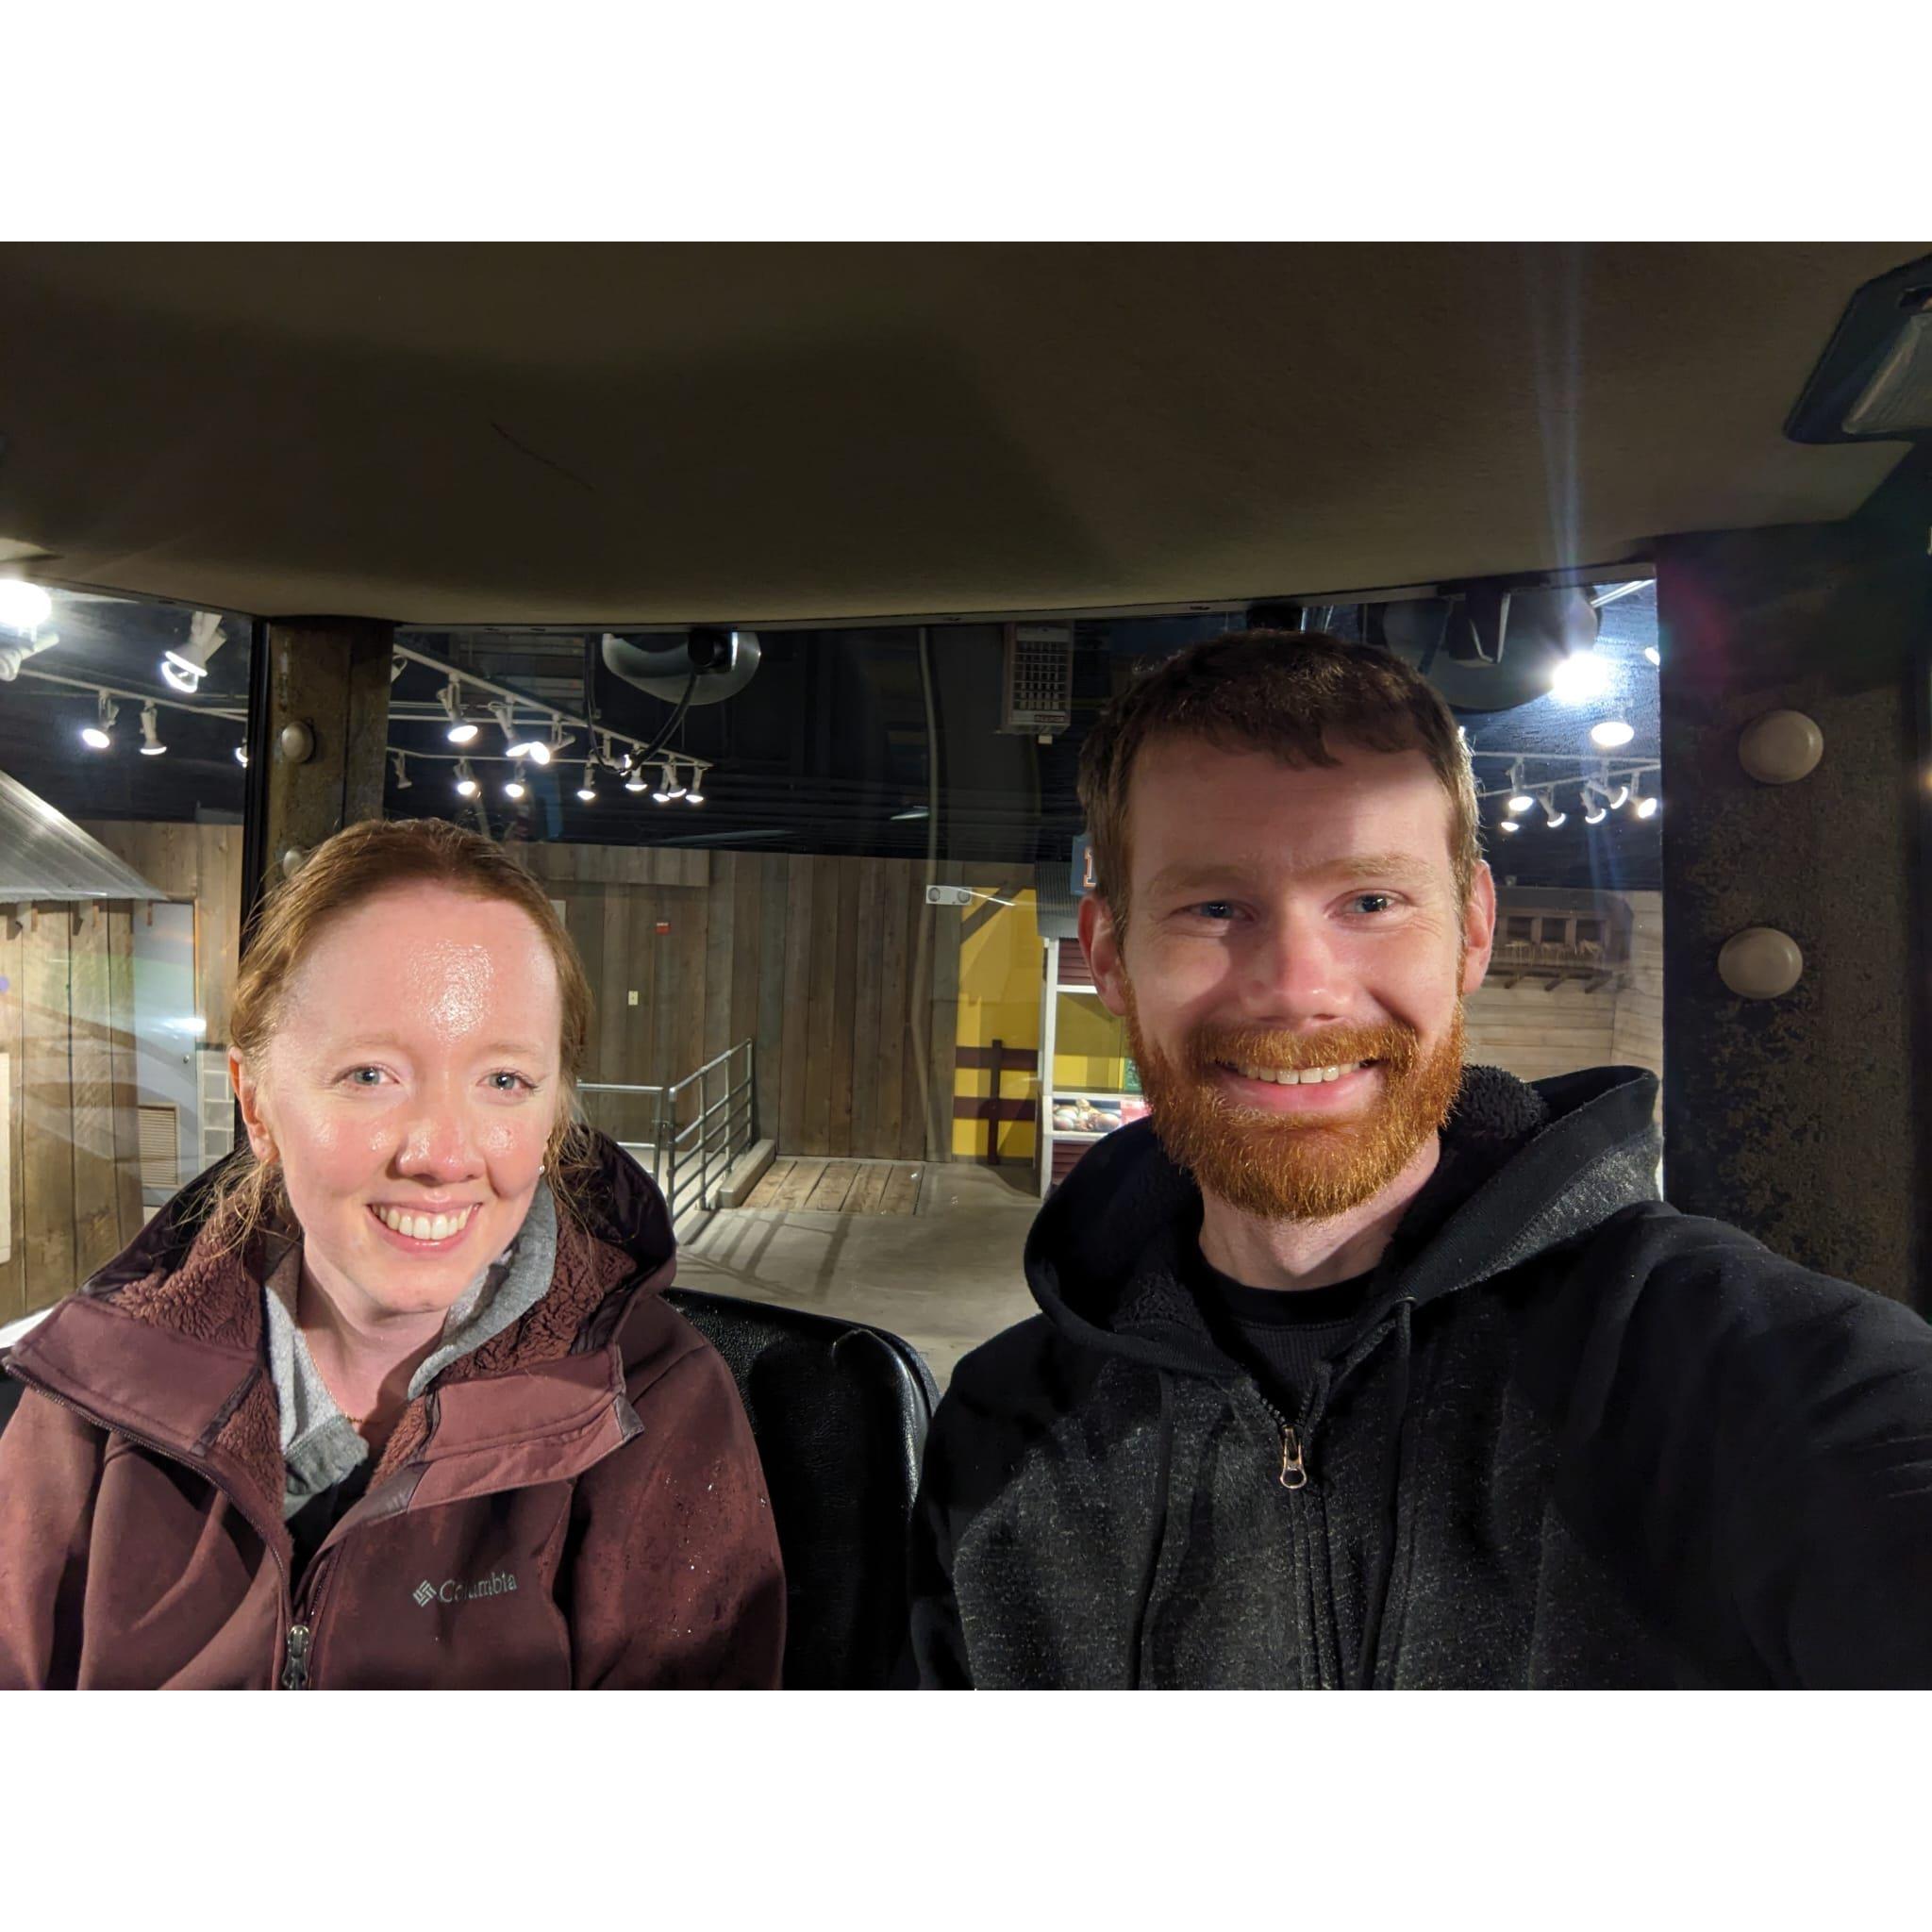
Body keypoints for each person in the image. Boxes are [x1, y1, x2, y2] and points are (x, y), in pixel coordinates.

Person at [908, 628, 1932, 1689]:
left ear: (1472, 927)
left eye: (1369, 901)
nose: (1298, 987)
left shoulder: (1743, 1375)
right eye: (1215, 907)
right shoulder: (999, 1432)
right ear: (1111, 956)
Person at [0, 817, 784, 1689]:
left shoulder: (650, 1403)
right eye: (371, 1075)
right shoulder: (97, 1391)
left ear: (553, 1111)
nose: (443, 1156)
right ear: (256, 1106)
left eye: (504, 1081)